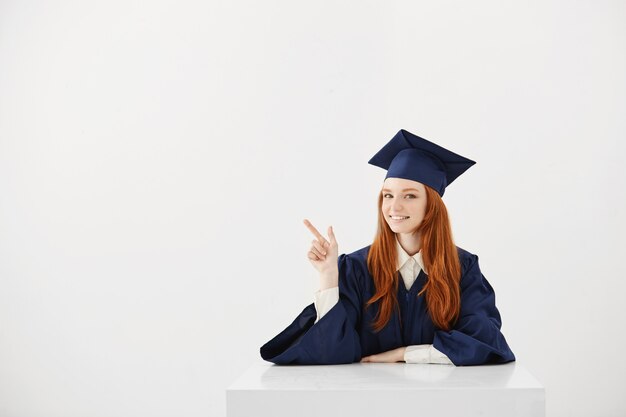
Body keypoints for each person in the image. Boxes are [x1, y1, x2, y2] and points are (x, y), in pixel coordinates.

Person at [260, 129, 516, 366]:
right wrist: (328, 276)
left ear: (432, 204)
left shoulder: (462, 268)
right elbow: (330, 351)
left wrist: (403, 354)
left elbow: (485, 341)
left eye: (410, 195)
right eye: (388, 195)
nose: (394, 208)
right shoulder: (357, 268)